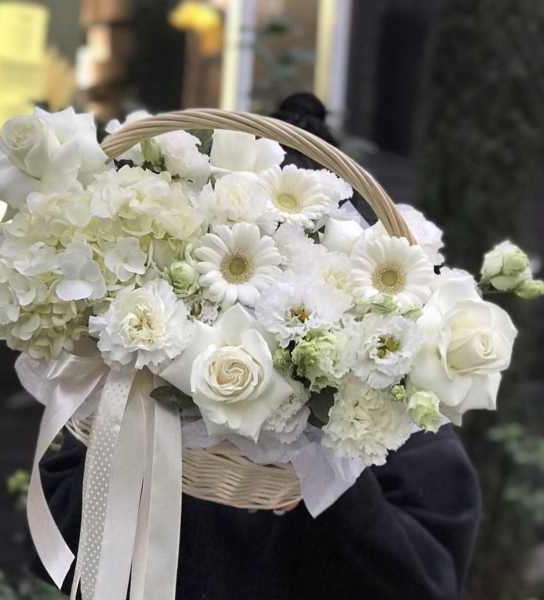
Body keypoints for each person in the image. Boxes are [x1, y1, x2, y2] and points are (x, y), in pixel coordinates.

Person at [29, 94, 481, 600]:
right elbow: (54, 547)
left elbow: (426, 582)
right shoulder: (146, 385)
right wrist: (153, 440)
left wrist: (326, 463)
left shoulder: (394, 416)